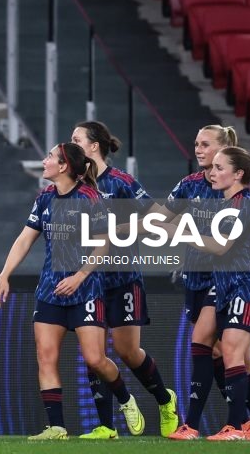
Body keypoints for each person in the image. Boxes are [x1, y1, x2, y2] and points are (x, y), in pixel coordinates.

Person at [0, 142, 144, 440]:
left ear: (63, 166)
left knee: (95, 360)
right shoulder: (45, 197)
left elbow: (104, 243)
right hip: (50, 290)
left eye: (50, 156)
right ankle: (57, 427)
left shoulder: (90, 198)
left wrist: (80, 276)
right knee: (46, 357)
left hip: (86, 290)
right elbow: (25, 239)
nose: (44, 160)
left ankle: (125, 398)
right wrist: (4, 274)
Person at [155, 125, 250, 440]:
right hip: (221, 284)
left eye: (206, 146)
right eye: (195, 143)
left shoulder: (241, 199)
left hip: (242, 286)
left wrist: (182, 231)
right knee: (232, 355)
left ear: (234, 171)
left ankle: (223, 426)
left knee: (222, 350)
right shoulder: (229, 197)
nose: (198, 151)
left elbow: (222, 245)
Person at [71, 122, 178, 439]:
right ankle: (106, 426)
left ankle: (164, 400)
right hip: (89, 280)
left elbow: (159, 217)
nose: (71, 143)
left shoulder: (120, 182)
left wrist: (119, 229)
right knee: (94, 353)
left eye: (77, 139)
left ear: (94, 146)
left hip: (122, 276)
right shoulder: (74, 185)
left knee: (127, 351)